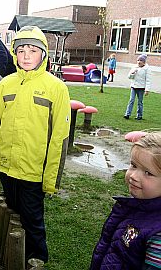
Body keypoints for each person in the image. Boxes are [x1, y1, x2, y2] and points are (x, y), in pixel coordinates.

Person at [0, 26, 71, 264]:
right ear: (14, 54)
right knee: (12, 214)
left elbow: (60, 138)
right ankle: (14, 256)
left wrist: (50, 179)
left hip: (33, 171)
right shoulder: (6, 84)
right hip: (6, 167)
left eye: (33, 50)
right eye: (21, 50)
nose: (27, 56)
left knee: (32, 221)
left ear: (44, 53)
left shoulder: (56, 88)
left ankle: (37, 259)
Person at [90, 132, 161, 270]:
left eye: (148, 173)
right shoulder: (137, 206)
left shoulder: (158, 235)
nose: (133, 176)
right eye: (133, 165)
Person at [123, 54, 151, 120]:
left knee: (140, 102)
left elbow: (148, 80)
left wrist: (147, 90)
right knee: (131, 100)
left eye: (141, 60)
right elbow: (129, 77)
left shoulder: (147, 69)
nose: (139, 62)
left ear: (144, 62)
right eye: (138, 60)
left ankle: (139, 115)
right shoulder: (134, 67)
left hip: (141, 88)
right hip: (133, 87)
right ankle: (127, 114)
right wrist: (133, 73)